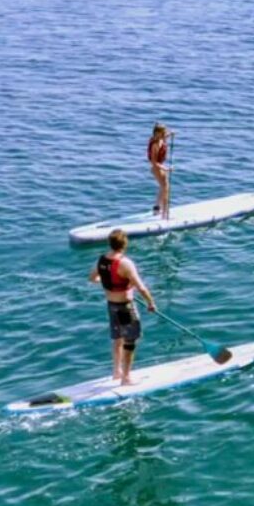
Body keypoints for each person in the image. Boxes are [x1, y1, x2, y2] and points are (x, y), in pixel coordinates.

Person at [89, 229, 157, 385]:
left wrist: (111, 284)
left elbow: (93, 278)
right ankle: (126, 378)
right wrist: (150, 303)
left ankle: (117, 372)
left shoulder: (102, 260)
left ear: (110, 243)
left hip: (111, 306)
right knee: (130, 341)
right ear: (125, 244)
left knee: (118, 338)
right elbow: (141, 288)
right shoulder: (126, 263)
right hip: (125, 308)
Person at [148, 123, 173, 219]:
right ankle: (164, 214)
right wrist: (166, 168)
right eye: (163, 132)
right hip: (157, 168)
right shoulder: (155, 145)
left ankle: (156, 209)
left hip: (159, 168)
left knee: (163, 187)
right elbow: (154, 162)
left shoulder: (160, 139)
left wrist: (171, 134)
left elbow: (164, 137)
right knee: (166, 188)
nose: (165, 134)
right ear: (158, 133)